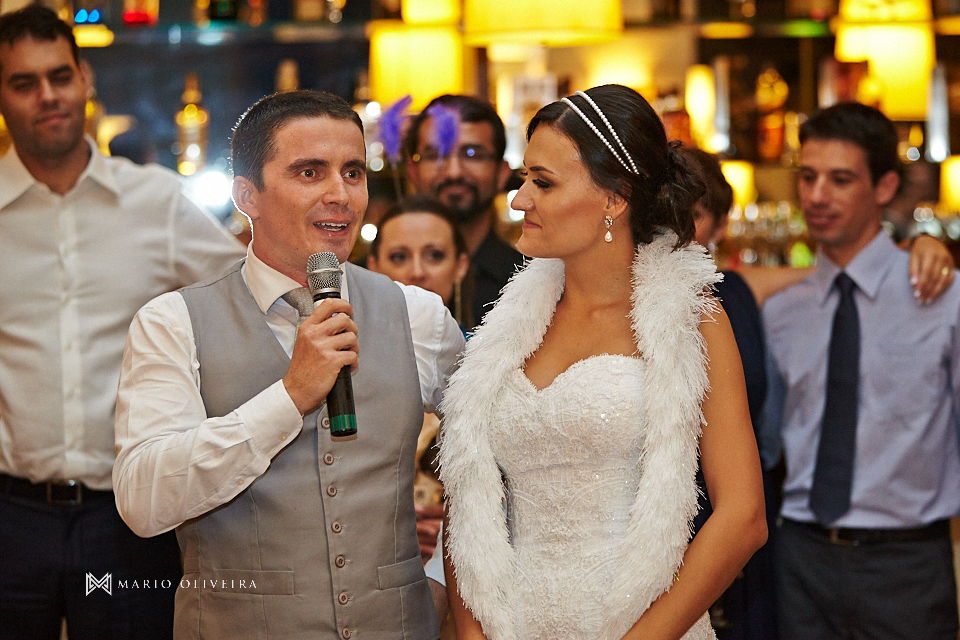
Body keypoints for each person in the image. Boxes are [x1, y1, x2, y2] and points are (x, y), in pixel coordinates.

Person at [113, 89, 464, 640]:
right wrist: (288, 397)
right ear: (247, 195)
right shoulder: (172, 322)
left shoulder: (418, 315)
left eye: (353, 172)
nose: (340, 195)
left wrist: (443, 578)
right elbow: (143, 499)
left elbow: (500, 464)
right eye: (309, 172)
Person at [439, 84, 767, 640]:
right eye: (523, 179)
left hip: (644, 624)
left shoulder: (690, 319)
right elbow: (467, 506)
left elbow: (742, 519)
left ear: (615, 197)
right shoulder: (507, 328)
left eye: (542, 182)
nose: (519, 199)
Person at [0, 6, 245, 640]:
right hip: (10, 521)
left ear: (85, 78)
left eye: (59, 75)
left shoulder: (157, 202)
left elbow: (246, 295)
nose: (48, 96)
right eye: (23, 83)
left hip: (126, 526)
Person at [763, 101, 960, 640]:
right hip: (800, 557)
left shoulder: (944, 298)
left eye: (840, 179)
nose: (817, 196)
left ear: (884, 186)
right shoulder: (781, 313)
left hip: (906, 563)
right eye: (808, 177)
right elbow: (769, 443)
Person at [404, 94, 525, 329]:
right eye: (436, 155)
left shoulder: (531, 285)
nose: (453, 172)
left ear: (501, 174)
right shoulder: (374, 282)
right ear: (412, 171)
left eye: (472, 154)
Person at [367, 195, 471, 332]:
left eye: (435, 255)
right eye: (399, 257)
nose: (417, 272)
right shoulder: (348, 350)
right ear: (374, 268)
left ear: (460, 266)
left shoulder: (489, 353)